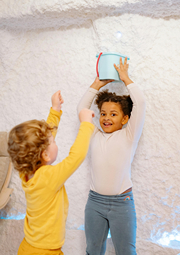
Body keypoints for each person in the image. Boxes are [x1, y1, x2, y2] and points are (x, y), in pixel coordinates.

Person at [8, 90, 95, 255]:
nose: (54, 139)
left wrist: (55, 110)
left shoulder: (26, 171)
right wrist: (85, 124)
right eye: (53, 141)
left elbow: (44, 138)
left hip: (28, 246)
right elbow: (75, 157)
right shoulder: (49, 177)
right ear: (45, 154)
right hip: (46, 251)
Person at [77, 57, 146, 255]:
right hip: (94, 203)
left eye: (113, 114)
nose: (106, 118)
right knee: (93, 250)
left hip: (122, 203)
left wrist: (125, 78)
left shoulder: (129, 135)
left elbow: (140, 103)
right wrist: (96, 84)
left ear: (125, 118)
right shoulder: (93, 134)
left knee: (126, 251)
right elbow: (81, 110)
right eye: (103, 113)